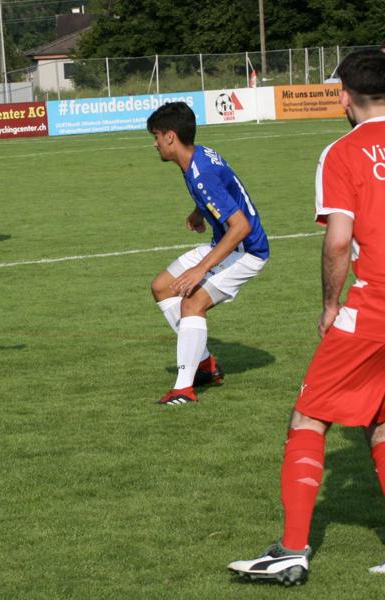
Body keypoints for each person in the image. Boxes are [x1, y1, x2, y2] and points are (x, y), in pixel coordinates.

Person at [227, 49, 385, 585]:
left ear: (345, 95)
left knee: (309, 415)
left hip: (373, 308)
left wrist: (330, 304)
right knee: (381, 419)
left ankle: (292, 549)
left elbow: (339, 242)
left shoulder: (342, 153)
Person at [145, 101, 270, 405]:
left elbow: (239, 227)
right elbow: (226, 190)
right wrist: (200, 212)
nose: (155, 144)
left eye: (157, 136)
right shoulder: (200, 156)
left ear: (171, 137)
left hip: (246, 250)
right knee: (162, 286)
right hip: (225, 243)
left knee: (191, 302)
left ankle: (184, 389)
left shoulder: (200, 175)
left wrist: (201, 268)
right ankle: (204, 364)